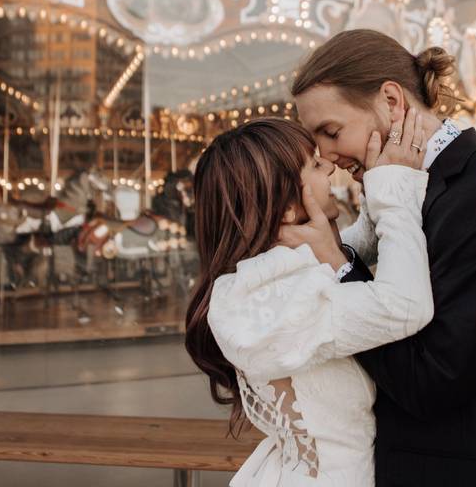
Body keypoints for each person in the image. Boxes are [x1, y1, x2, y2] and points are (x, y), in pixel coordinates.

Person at [289, 29, 476, 486]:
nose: (328, 157)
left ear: (392, 102)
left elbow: (431, 378)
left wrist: (339, 267)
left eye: (331, 132)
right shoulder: (402, 191)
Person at [185, 114, 433, 486]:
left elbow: (336, 257)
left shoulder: (266, 276)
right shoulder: (279, 296)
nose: (330, 166)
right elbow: (405, 306)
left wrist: (375, 179)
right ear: (287, 208)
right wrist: (395, 196)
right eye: (315, 165)